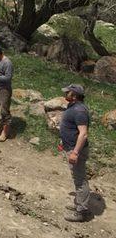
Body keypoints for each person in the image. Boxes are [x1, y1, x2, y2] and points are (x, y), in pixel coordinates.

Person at [59, 84, 91, 222]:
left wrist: (75, 152)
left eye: (68, 92)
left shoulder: (79, 111)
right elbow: (71, 128)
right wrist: (63, 141)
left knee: (80, 180)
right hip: (70, 146)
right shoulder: (73, 107)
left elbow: (83, 134)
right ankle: (79, 204)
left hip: (76, 150)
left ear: (75, 96)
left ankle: (81, 212)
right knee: (77, 178)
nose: (66, 94)